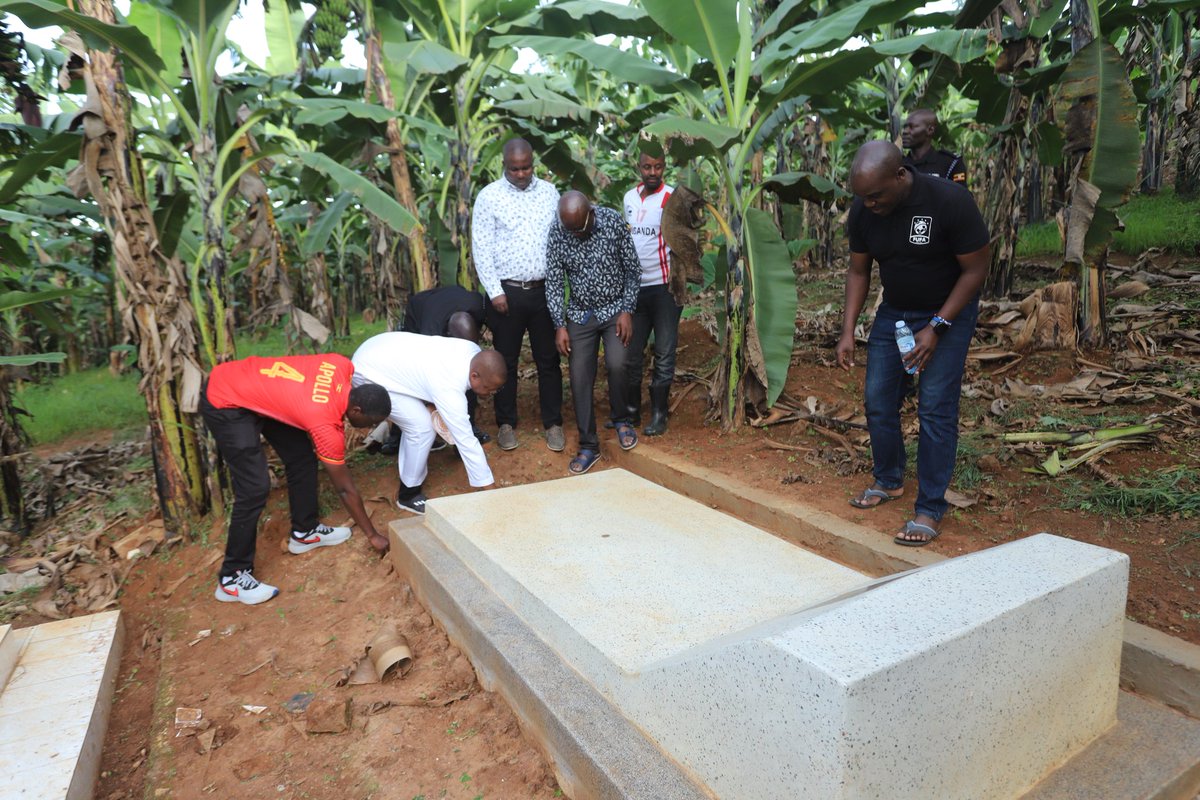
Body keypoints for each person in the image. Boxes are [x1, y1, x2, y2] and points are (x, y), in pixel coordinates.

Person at [835, 140, 989, 547]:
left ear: (901, 175)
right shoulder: (864, 210)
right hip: (898, 315)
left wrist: (937, 326)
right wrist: (848, 329)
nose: (868, 205)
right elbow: (858, 271)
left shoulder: (949, 200)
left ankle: (930, 507)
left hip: (948, 314)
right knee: (879, 398)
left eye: (875, 195)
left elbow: (976, 269)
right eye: (862, 197)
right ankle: (889, 479)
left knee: (935, 407)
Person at [201, 354, 392, 605]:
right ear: (356, 410)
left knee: (301, 457)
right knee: (254, 488)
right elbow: (345, 489)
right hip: (226, 399)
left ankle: (305, 531)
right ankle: (232, 578)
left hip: (257, 390)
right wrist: (373, 536)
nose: (369, 429)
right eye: (371, 422)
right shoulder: (324, 423)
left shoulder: (341, 365)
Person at [471, 137, 565, 453]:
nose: (522, 174)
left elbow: (560, 239)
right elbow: (481, 248)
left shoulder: (550, 193)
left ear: (533, 163)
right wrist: (495, 291)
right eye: (515, 169)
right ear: (505, 165)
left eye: (526, 167)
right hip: (506, 294)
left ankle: (553, 423)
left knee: (548, 360)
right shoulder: (489, 197)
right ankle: (506, 423)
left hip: (543, 292)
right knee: (504, 361)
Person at [351, 332, 507, 514]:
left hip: (379, 347)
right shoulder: (449, 386)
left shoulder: (473, 353)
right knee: (422, 427)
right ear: (474, 376)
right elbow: (465, 440)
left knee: (423, 417)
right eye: (489, 388)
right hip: (369, 372)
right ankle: (408, 495)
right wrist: (491, 491)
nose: (490, 393)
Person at [546, 190, 642, 475]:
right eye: (570, 229)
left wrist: (627, 310)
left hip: (614, 310)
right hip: (579, 314)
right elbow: (553, 280)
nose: (575, 233)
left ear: (592, 213)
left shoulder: (612, 221)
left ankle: (622, 419)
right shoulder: (559, 231)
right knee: (579, 377)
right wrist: (559, 324)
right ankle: (589, 445)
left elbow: (632, 269)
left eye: (580, 227)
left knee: (617, 363)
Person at [376, 284, 490, 449]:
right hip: (418, 314)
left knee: (470, 374)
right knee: (413, 381)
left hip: (450, 306)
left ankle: (469, 428)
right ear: (449, 336)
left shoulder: (478, 307)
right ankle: (398, 436)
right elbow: (425, 372)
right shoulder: (429, 331)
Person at [622, 150, 681, 437]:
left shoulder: (672, 197)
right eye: (647, 167)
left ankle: (659, 414)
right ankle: (632, 412)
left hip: (664, 287)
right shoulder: (629, 198)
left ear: (664, 167)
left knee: (665, 351)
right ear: (639, 167)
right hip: (635, 289)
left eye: (658, 166)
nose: (653, 172)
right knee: (632, 353)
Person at [901, 109, 968, 186]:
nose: (905, 132)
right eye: (905, 127)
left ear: (930, 130)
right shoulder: (899, 165)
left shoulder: (950, 164)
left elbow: (960, 195)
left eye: (911, 127)